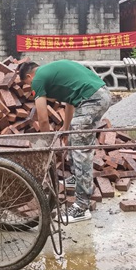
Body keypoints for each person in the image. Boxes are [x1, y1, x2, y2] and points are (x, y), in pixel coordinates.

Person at [19, 60, 110, 223]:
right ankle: (78, 177)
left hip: (92, 99)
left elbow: (43, 118)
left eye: (28, 84)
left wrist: (47, 144)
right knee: (77, 139)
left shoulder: (38, 78)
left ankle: (82, 207)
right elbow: (70, 101)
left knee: (80, 149)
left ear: (29, 76)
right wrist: (66, 128)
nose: (31, 88)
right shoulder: (54, 71)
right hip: (99, 94)